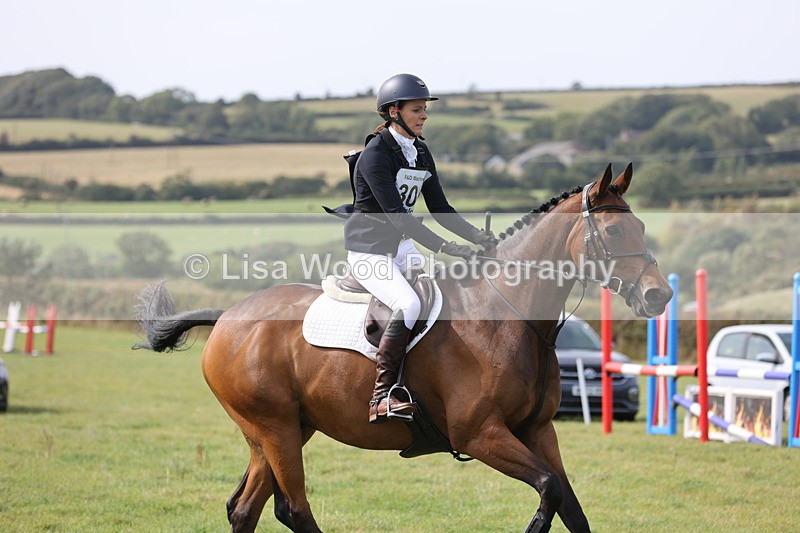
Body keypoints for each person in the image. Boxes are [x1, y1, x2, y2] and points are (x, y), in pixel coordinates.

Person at [341, 73, 497, 423]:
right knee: (408, 303)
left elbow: (440, 208)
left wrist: (479, 237)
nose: (424, 115)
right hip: (369, 251)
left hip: (402, 247)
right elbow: (398, 217)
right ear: (393, 112)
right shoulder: (375, 156)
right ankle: (380, 397)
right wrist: (446, 247)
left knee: (450, 293)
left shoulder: (419, 151)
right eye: (417, 109)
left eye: (425, 109)